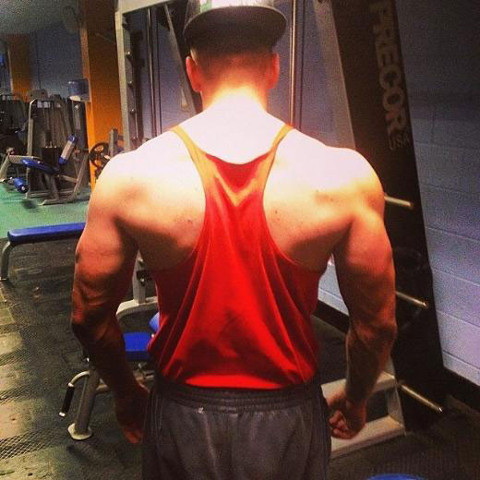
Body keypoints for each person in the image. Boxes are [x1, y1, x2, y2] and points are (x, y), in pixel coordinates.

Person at [71, 0, 397, 478]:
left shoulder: (129, 177)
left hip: (181, 414)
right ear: (274, 69)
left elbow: (88, 318)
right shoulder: (344, 176)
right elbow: (376, 327)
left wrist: (125, 393)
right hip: (288, 418)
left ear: (192, 71)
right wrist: (355, 396)